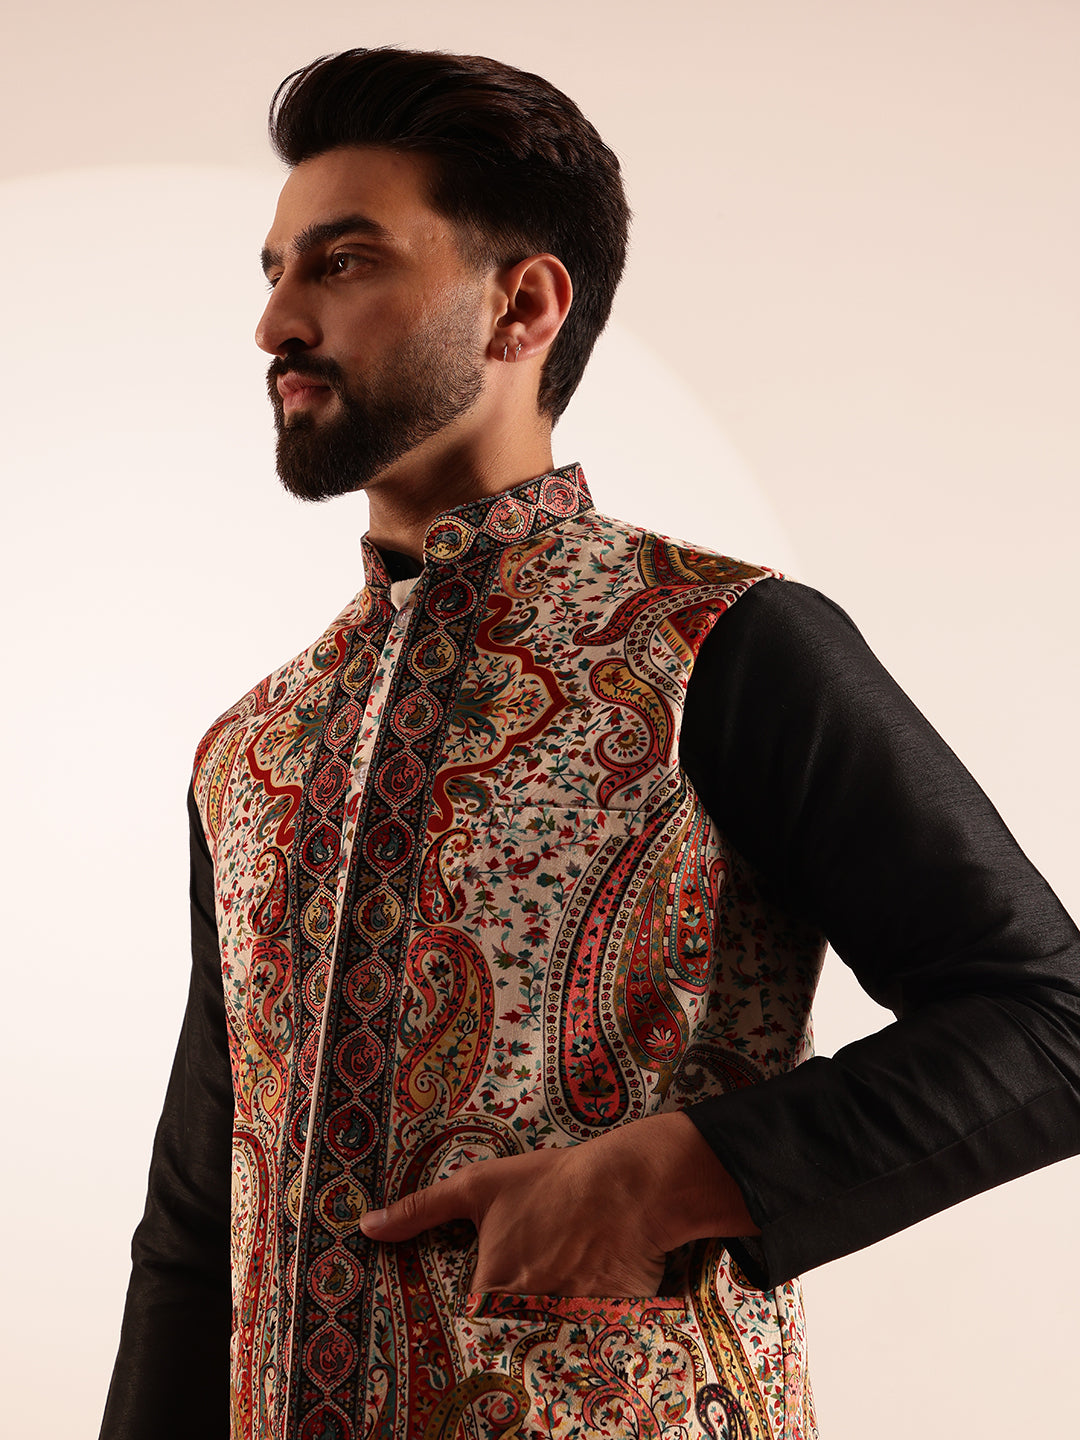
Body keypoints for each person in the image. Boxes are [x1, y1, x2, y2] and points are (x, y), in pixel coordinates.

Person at [99, 47, 1080, 1440]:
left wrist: (667, 1178)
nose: (275, 321)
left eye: (343, 263)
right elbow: (202, 1226)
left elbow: (1050, 1021)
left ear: (524, 304)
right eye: (273, 270)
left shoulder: (719, 645)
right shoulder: (255, 748)